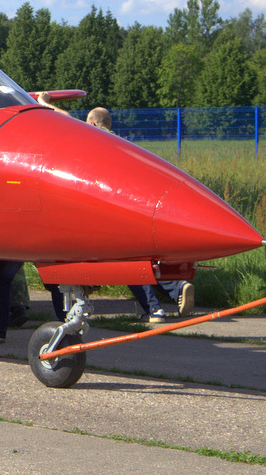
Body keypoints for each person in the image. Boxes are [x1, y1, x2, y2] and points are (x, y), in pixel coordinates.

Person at [83, 107, 194, 323]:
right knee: (140, 260)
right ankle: (176, 288)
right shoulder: (124, 144)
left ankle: (154, 310)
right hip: (134, 209)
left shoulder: (95, 141)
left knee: (124, 265)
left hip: (109, 212)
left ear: (94, 124)